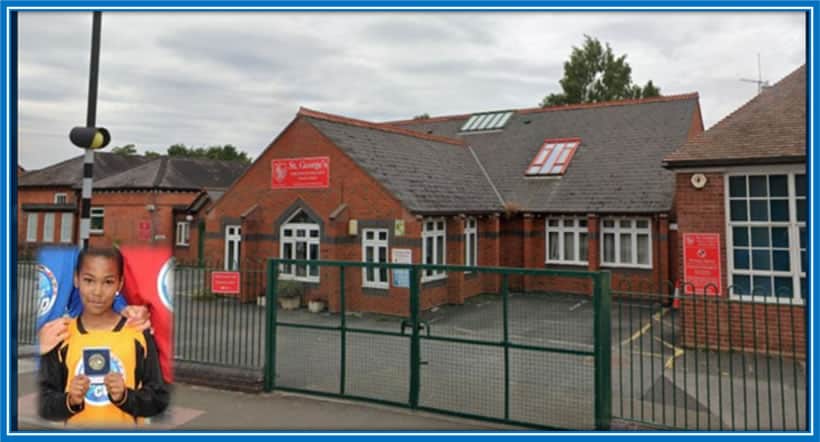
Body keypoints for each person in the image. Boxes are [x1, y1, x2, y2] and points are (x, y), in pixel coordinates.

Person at [38, 247, 169, 427]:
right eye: (89, 280)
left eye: (107, 282)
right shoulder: (61, 336)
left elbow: (158, 399)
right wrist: (70, 401)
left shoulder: (138, 334)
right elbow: (46, 402)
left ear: (120, 284)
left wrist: (125, 396)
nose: (97, 291)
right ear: (76, 279)